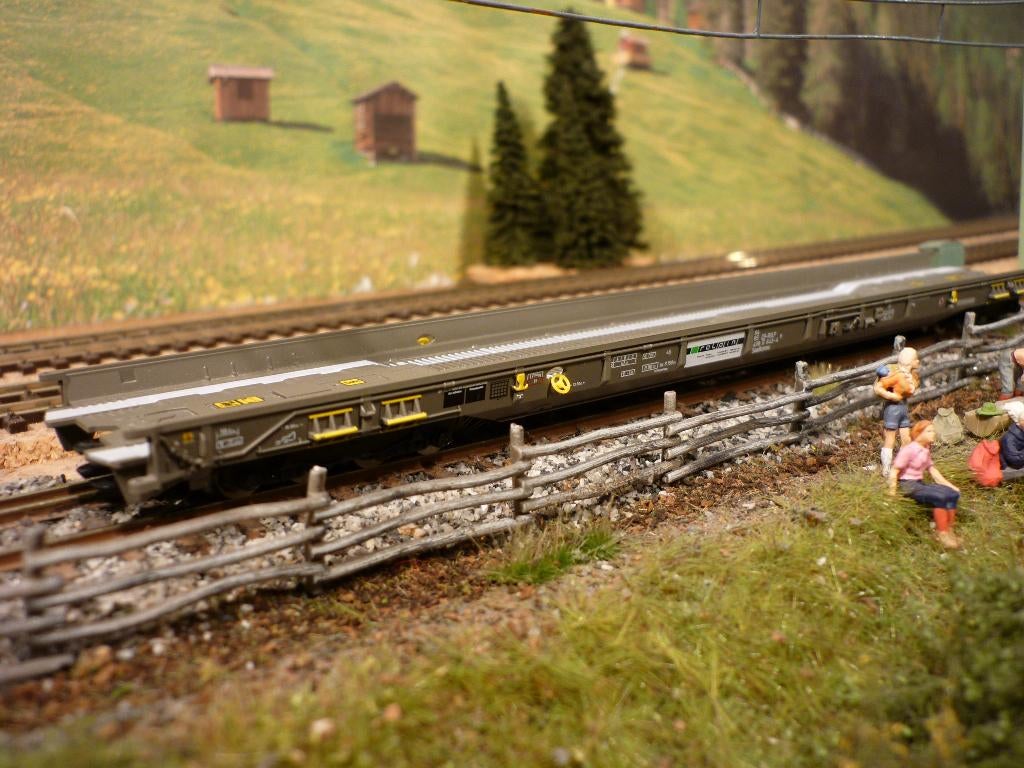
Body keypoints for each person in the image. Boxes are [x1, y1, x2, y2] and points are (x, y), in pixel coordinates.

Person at [888, 420, 961, 549]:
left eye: (933, 431)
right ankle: (941, 534)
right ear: (918, 433)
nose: (933, 434)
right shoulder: (909, 450)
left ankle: (949, 530)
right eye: (929, 431)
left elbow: (933, 471)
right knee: (941, 498)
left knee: (952, 494)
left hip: (919, 484)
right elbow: (894, 470)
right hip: (908, 485)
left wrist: (950, 486)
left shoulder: (925, 449)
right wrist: (892, 493)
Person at [873, 347, 920, 476]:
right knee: (890, 439)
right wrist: (892, 396)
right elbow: (878, 388)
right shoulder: (895, 374)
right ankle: (886, 469)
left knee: (906, 439)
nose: (918, 361)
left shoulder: (911, 375)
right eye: (916, 359)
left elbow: (912, 388)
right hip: (892, 409)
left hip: (903, 409)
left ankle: (902, 464)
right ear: (911, 361)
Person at [1000, 400, 1024, 479]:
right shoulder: (1009, 439)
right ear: (1021, 422)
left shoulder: (1021, 431)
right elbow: (1015, 460)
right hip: (1012, 466)